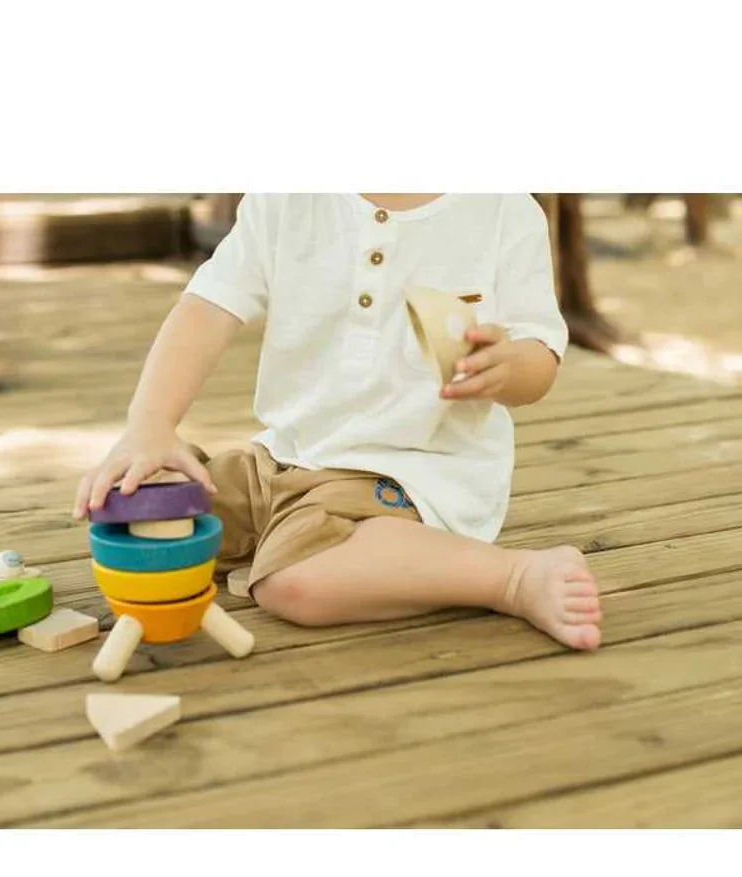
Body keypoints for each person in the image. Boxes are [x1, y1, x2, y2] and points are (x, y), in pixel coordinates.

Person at [73, 194, 601, 650]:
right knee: (146, 504)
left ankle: (510, 579)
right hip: (281, 460)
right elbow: (207, 307)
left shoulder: (504, 210)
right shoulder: (288, 197)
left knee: (295, 585)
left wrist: (511, 366)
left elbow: (540, 352)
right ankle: (291, 539)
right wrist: (149, 425)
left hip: (408, 477)